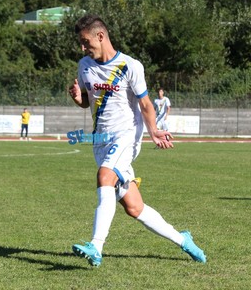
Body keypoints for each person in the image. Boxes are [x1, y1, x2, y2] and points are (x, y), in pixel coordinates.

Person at [69, 14, 206, 267]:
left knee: (104, 176)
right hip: (100, 140)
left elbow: (145, 104)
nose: (83, 47)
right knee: (134, 207)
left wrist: (153, 131)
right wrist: (78, 98)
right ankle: (184, 240)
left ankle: (96, 246)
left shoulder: (130, 66)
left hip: (126, 136)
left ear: (101, 36)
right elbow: (88, 100)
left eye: (85, 41)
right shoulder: (84, 65)